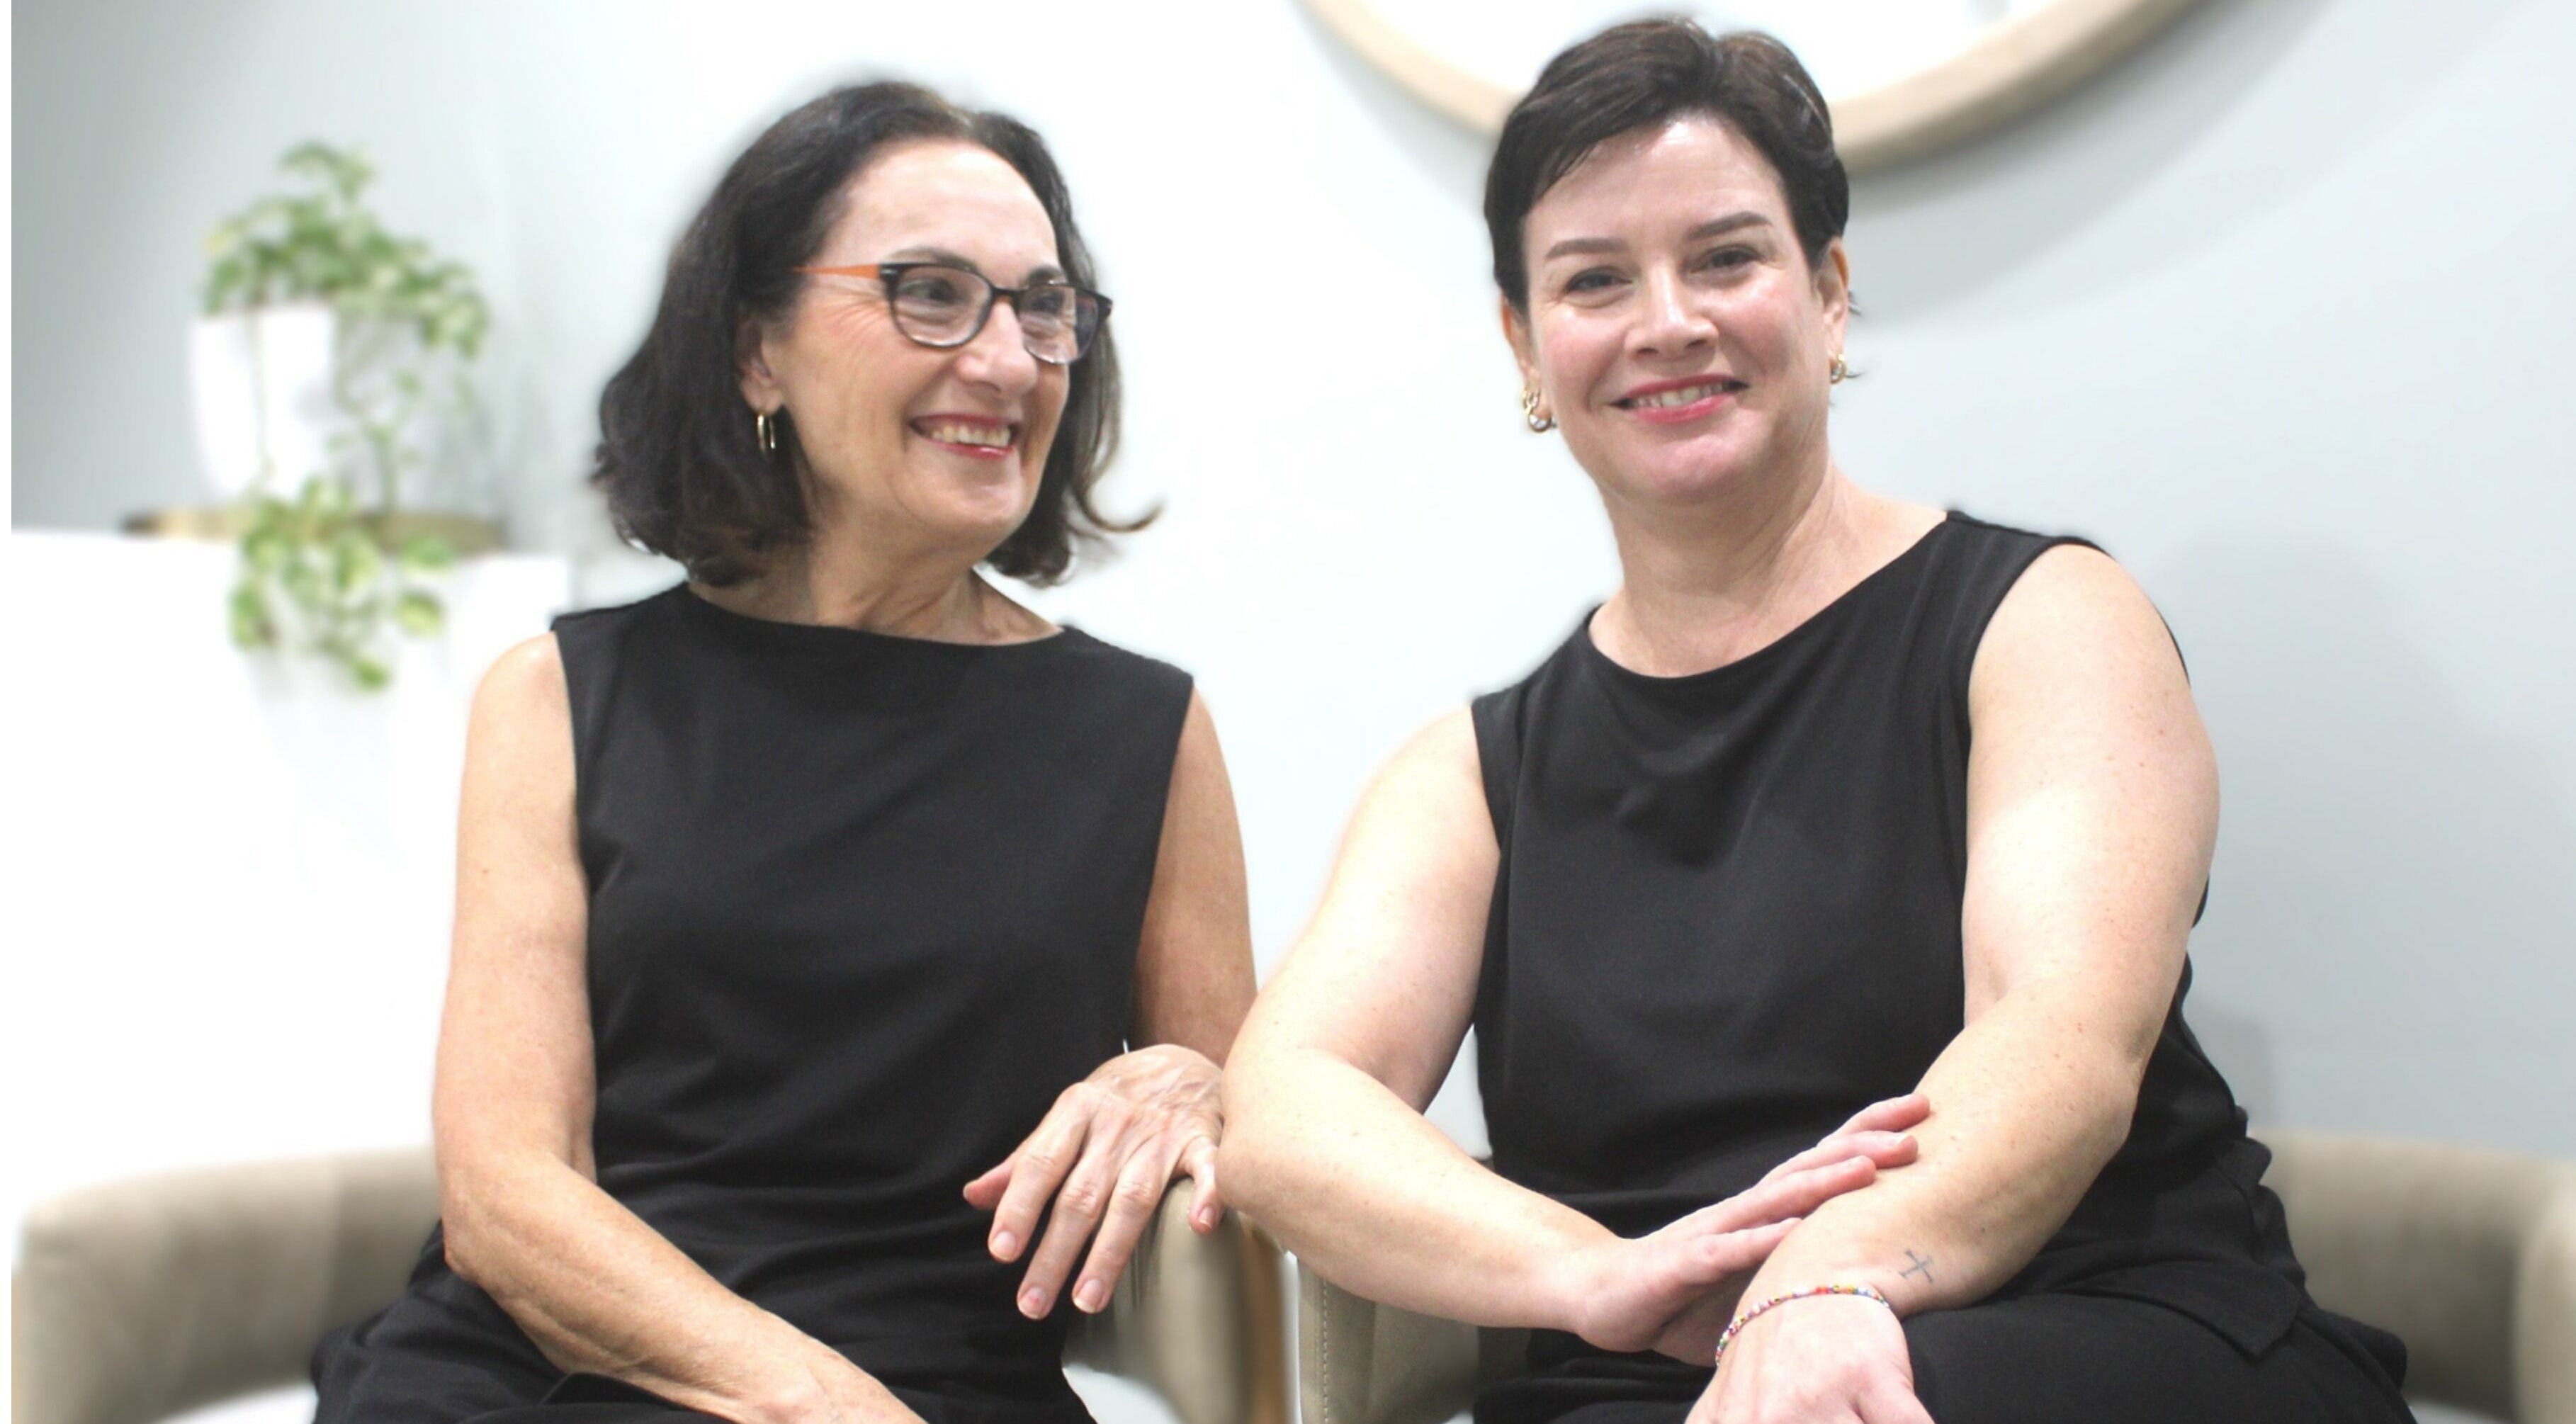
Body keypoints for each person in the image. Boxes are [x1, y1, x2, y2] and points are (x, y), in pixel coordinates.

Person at [1219, 21, 2414, 1424]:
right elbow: (1289, 1110)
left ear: (1830, 291)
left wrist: (1821, 1284)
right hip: (1675, 1385)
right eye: (1594, 279)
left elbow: (2062, 1035)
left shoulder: (2040, 621)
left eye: (1725, 257)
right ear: (1525, 344)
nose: (1667, 319)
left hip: (2087, 1327)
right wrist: (1593, 1274)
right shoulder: (1468, 777)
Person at [312, 81, 1257, 1424]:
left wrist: (1196, 1078)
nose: (1004, 359)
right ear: (758, 350)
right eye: (930, 293)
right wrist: (810, 1399)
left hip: (941, 1380)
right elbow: (506, 1196)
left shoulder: (1146, 735)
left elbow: (1260, 1121)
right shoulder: (558, 699)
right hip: (566, 1369)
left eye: (1042, 307)